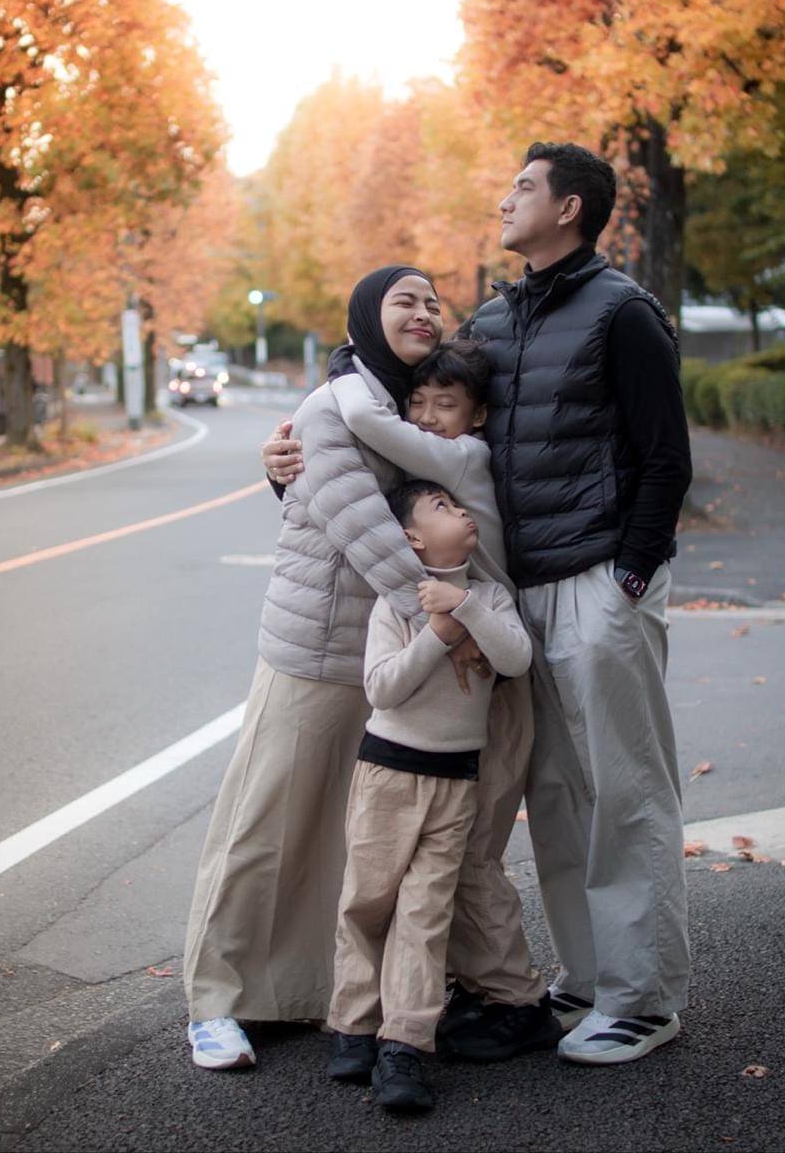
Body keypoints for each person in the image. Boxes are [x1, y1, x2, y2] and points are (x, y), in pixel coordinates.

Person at [264, 140, 693, 1067]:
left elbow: (667, 454)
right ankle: (587, 979)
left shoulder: (621, 312)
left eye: (523, 188)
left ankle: (644, 997)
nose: (504, 200)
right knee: (557, 795)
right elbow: (412, 398)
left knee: (624, 787)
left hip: (597, 579)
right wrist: (288, 456)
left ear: (569, 208)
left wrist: (630, 576)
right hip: (519, 592)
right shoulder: (496, 319)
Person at [184, 265, 446, 1070]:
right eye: (405, 301)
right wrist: (452, 618)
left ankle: (306, 990)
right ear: (365, 315)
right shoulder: (333, 406)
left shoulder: (414, 408)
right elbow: (365, 528)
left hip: (388, 656)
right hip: (318, 647)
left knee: (349, 835)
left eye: (434, 303)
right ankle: (214, 1002)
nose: (425, 313)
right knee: (263, 826)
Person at [329, 343, 560, 1061]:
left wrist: (343, 373)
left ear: (477, 415)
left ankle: (514, 998)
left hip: (493, 685)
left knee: (471, 858)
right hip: (442, 690)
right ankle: (450, 992)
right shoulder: (425, 477)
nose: (427, 418)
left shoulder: (458, 461)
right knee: (436, 871)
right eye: (418, 403)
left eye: (446, 405)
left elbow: (368, 426)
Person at [326, 480, 533, 1111]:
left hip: (456, 783)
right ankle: (354, 1025)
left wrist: (465, 607)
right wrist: (438, 633)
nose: (462, 511)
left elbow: (516, 660)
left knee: (425, 914)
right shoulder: (396, 603)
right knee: (367, 903)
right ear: (412, 536)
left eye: (459, 503)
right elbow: (382, 689)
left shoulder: (489, 596)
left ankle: (405, 1045)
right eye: (442, 507)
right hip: (388, 775)